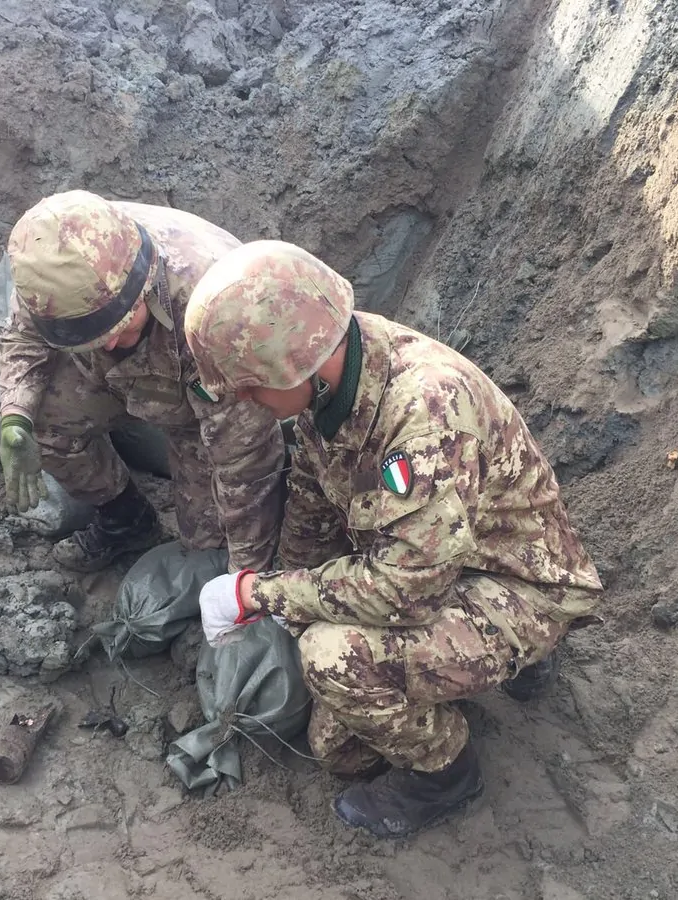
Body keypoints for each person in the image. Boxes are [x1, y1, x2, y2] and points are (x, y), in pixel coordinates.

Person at [185, 240, 603, 838]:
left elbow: (405, 594)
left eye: (250, 389)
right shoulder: (336, 370)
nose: (249, 404)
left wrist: (259, 594)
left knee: (335, 663)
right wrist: (290, 604)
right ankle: (480, 671)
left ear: (294, 364)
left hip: (517, 582)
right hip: (440, 559)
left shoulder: (425, 414)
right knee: (339, 750)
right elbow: (310, 499)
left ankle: (445, 775)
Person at [0, 191, 285, 573]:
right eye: (93, 335)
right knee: (40, 425)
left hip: (200, 401)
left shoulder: (218, 309)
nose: (111, 343)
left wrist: (247, 577)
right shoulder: (52, 274)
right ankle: (127, 520)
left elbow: (246, 457)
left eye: (121, 324)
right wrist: (16, 416)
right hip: (109, 381)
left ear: (143, 282)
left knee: (208, 544)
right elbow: (23, 339)